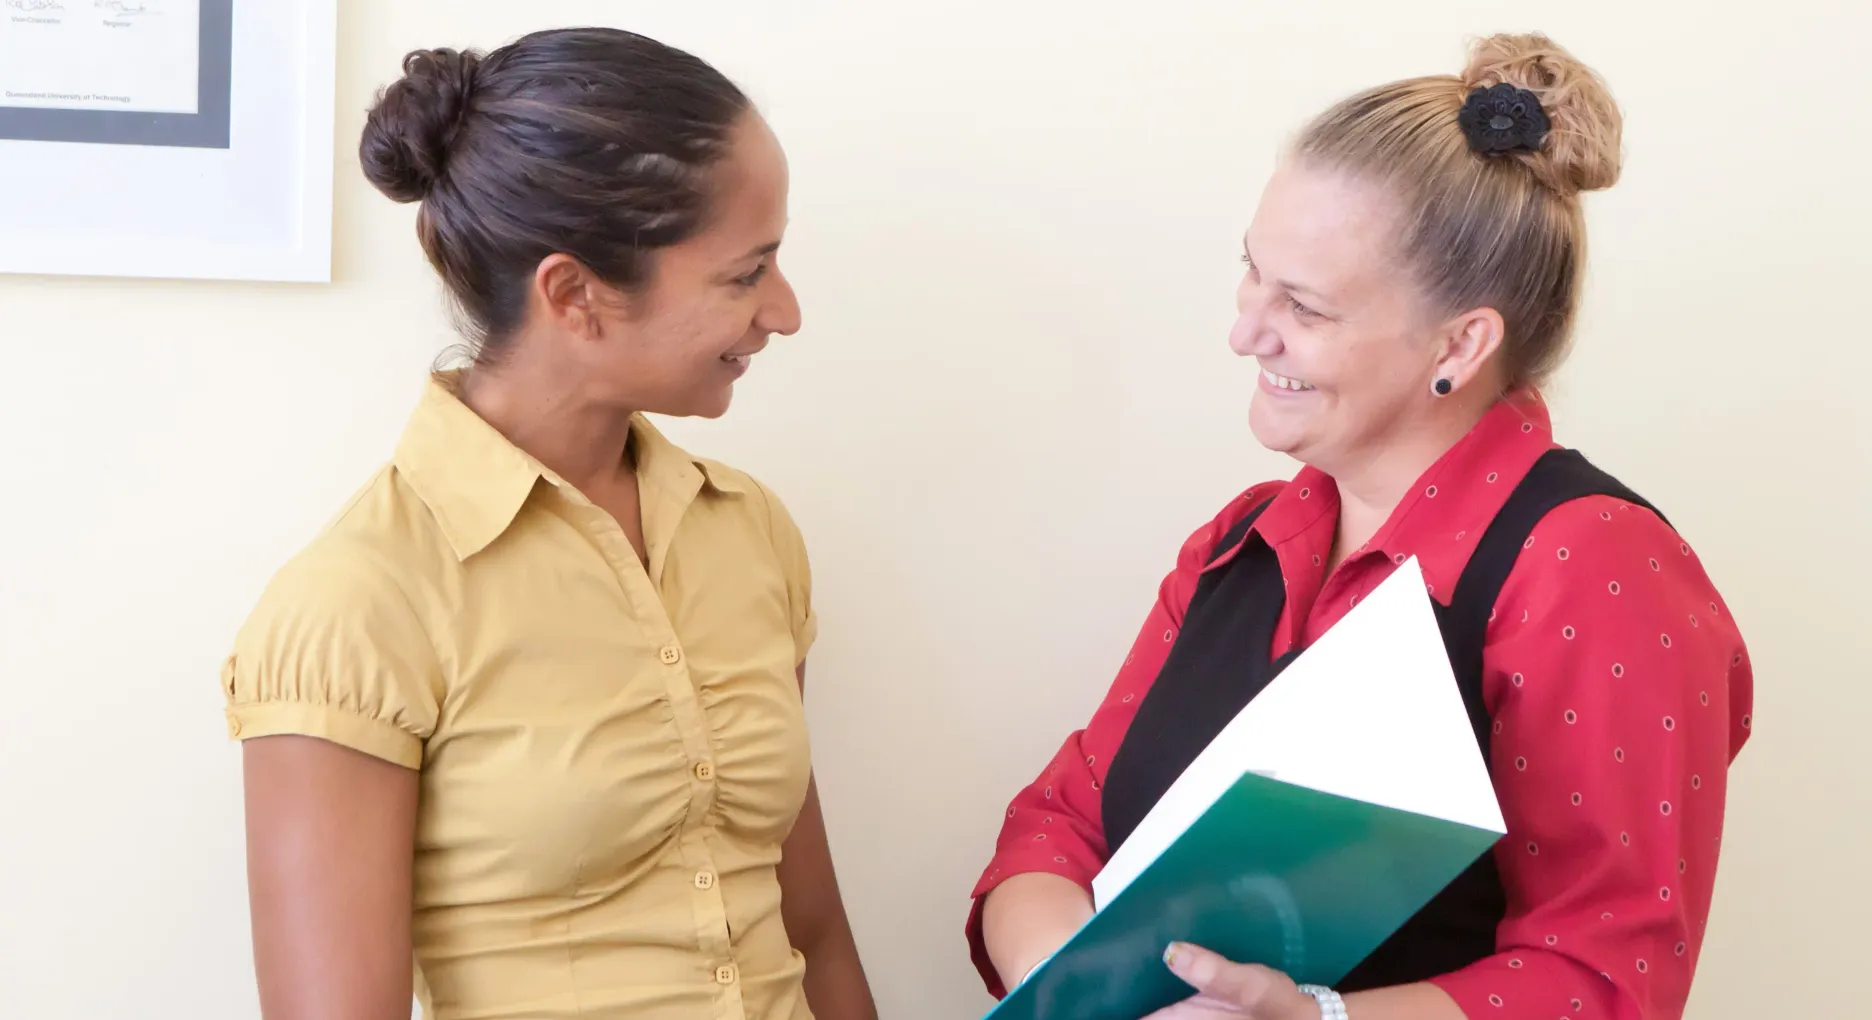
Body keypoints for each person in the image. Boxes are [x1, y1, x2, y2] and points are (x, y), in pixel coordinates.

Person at [968, 33, 1752, 1020]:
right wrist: (1075, 988)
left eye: (1303, 304)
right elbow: (1061, 823)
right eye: (1252, 273)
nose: (1246, 331)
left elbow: (1606, 979)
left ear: (1460, 344)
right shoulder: (1237, 543)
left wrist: (1319, 1018)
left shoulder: (1593, 565)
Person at [220, 28, 877, 1020]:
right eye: (746, 275)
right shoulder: (357, 607)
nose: (784, 313)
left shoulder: (749, 533)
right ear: (573, 294)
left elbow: (812, 930)